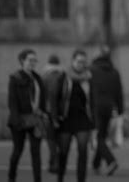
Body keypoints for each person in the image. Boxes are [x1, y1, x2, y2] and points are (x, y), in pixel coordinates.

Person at [51, 49, 94, 182]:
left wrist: (95, 120)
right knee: (63, 152)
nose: (81, 64)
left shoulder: (89, 78)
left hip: (83, 119)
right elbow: (54, 98)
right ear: (73, 61)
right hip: (66, 119)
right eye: (79, 61)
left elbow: (93, 100)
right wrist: (54, 117)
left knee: (83, 152)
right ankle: (60, 177)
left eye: (84, 62)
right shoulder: (64, 77)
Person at [7, 49, 47, 182]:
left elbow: (42, 99)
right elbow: (12, 101)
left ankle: (38, 179)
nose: (33, 63)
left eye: (35, 60)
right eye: (30, 60)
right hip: (20, 120)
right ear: (22, 61)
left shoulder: (37, 78)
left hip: (35, 120)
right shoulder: (15, 78)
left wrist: (43, 113)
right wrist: (16, 120)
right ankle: (11, 177)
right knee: (17, 151)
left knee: (36, 152)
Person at [89, 45, 124, 175]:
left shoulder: (91, 70)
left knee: (99, 137)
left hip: (95, 107)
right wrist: (120, 109)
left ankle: (111, 160)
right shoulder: (114, 72)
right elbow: (119, 92)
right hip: (109, 108)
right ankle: (96, 164)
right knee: (102, 136)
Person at [42, 54, 63, 174]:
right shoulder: (62, 76)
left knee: (51, 139)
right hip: (61, 113)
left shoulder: (44, 76)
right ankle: (55, 162)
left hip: (49, 112)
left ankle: (53, 163)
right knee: (59, 139)